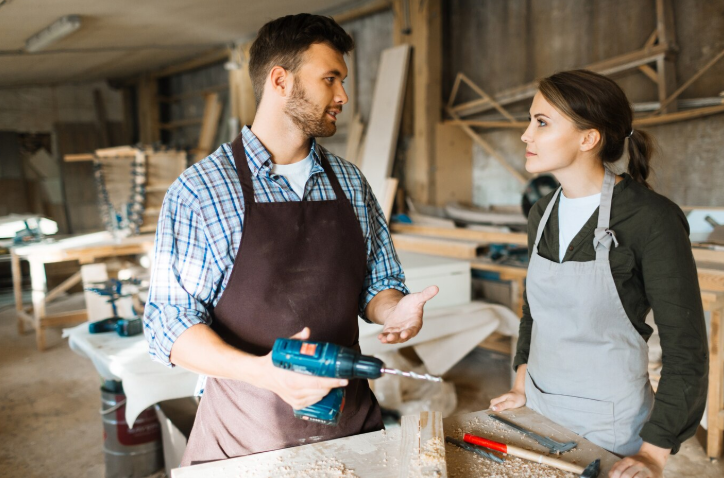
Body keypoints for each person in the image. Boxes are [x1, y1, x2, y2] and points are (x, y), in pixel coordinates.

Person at [143, 13, 438, 466]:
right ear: (280, 80)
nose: (342, 96)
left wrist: (392, 308)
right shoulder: (202, 191)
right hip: (245, 439)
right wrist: (263, 372)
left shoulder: (350, 183)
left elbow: (377, 283)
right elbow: (169, 326)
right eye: (330, 79)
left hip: (350, 427)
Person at [490, 69, 708, 478]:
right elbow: (532, 312)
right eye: (529, 120)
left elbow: (686, 349)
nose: (525, 135)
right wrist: (521, 385)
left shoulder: (651, 219)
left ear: (588, 139)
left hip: (610, 429)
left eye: (541, 122)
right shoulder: (541, 213)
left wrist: (653, 453)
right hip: (539, 412)